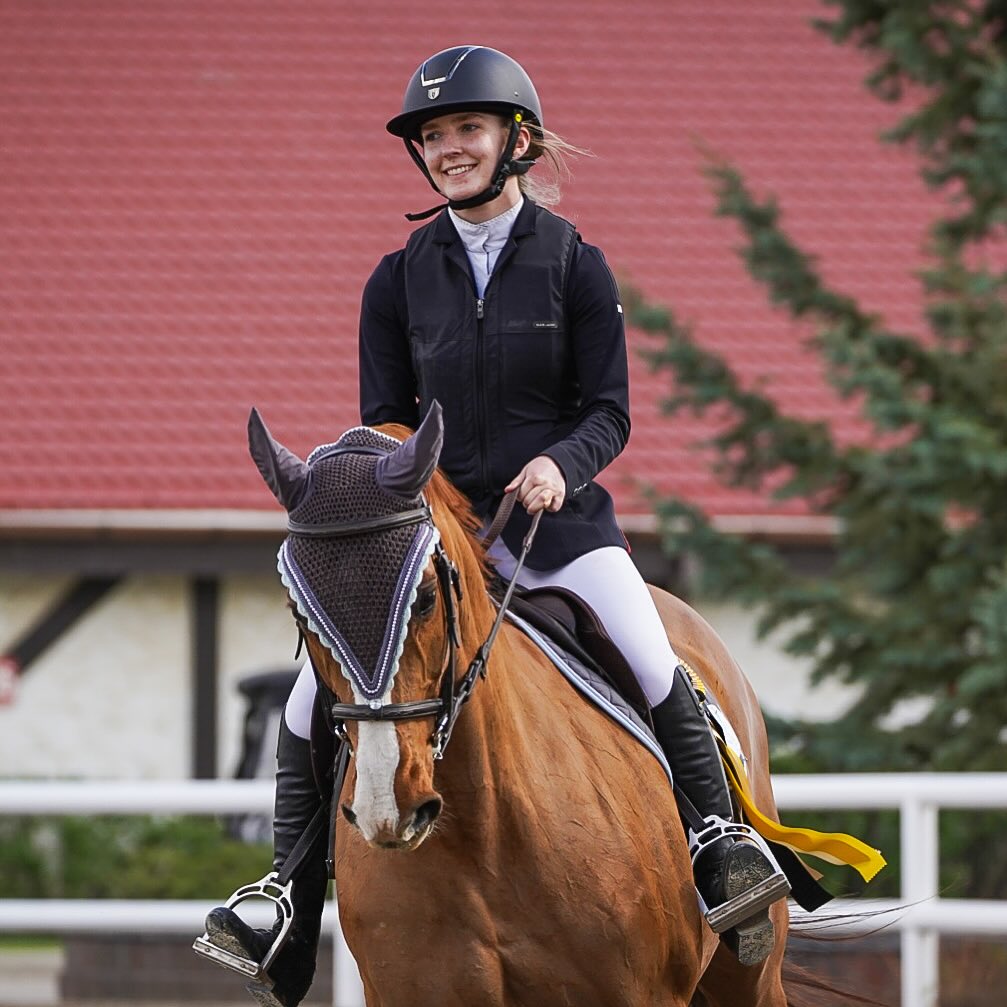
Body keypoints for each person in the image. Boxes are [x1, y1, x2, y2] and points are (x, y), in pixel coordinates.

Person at [198, 44, 789, 1006]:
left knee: (649, 652)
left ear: (514, 139)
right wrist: (371, 475)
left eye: (466, 130)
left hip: (558, 526)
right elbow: (388, 416)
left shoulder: (575, 265)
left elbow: (610, 409)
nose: (448, 149)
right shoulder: (395, 279)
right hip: (436, 528)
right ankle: (284, 898)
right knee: (313, 693)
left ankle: (717, 841)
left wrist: (563, 462)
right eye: (433, 137)